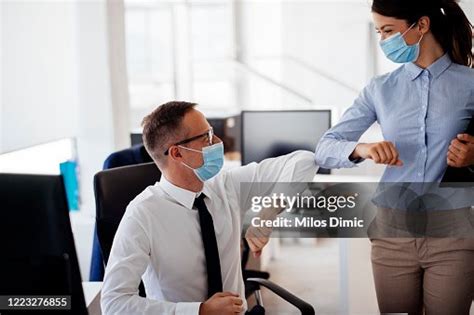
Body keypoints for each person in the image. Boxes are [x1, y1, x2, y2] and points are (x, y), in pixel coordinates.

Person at [315, 0, 474, 314]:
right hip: (392, 233)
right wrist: (364, 149)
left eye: (388, 31)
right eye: (378, 32)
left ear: (421, 26)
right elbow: (325, 146)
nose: (383, 41)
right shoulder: (380, 89)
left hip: (453, 232)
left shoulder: (470, 84)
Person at [101, 101, 318, 315]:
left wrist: (268, 214)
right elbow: (114, 303)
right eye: (207, 137)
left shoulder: (226, 186)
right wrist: (199, 311)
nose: (219, 142)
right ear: (177, 153)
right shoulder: (142, 214)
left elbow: (305, 161)